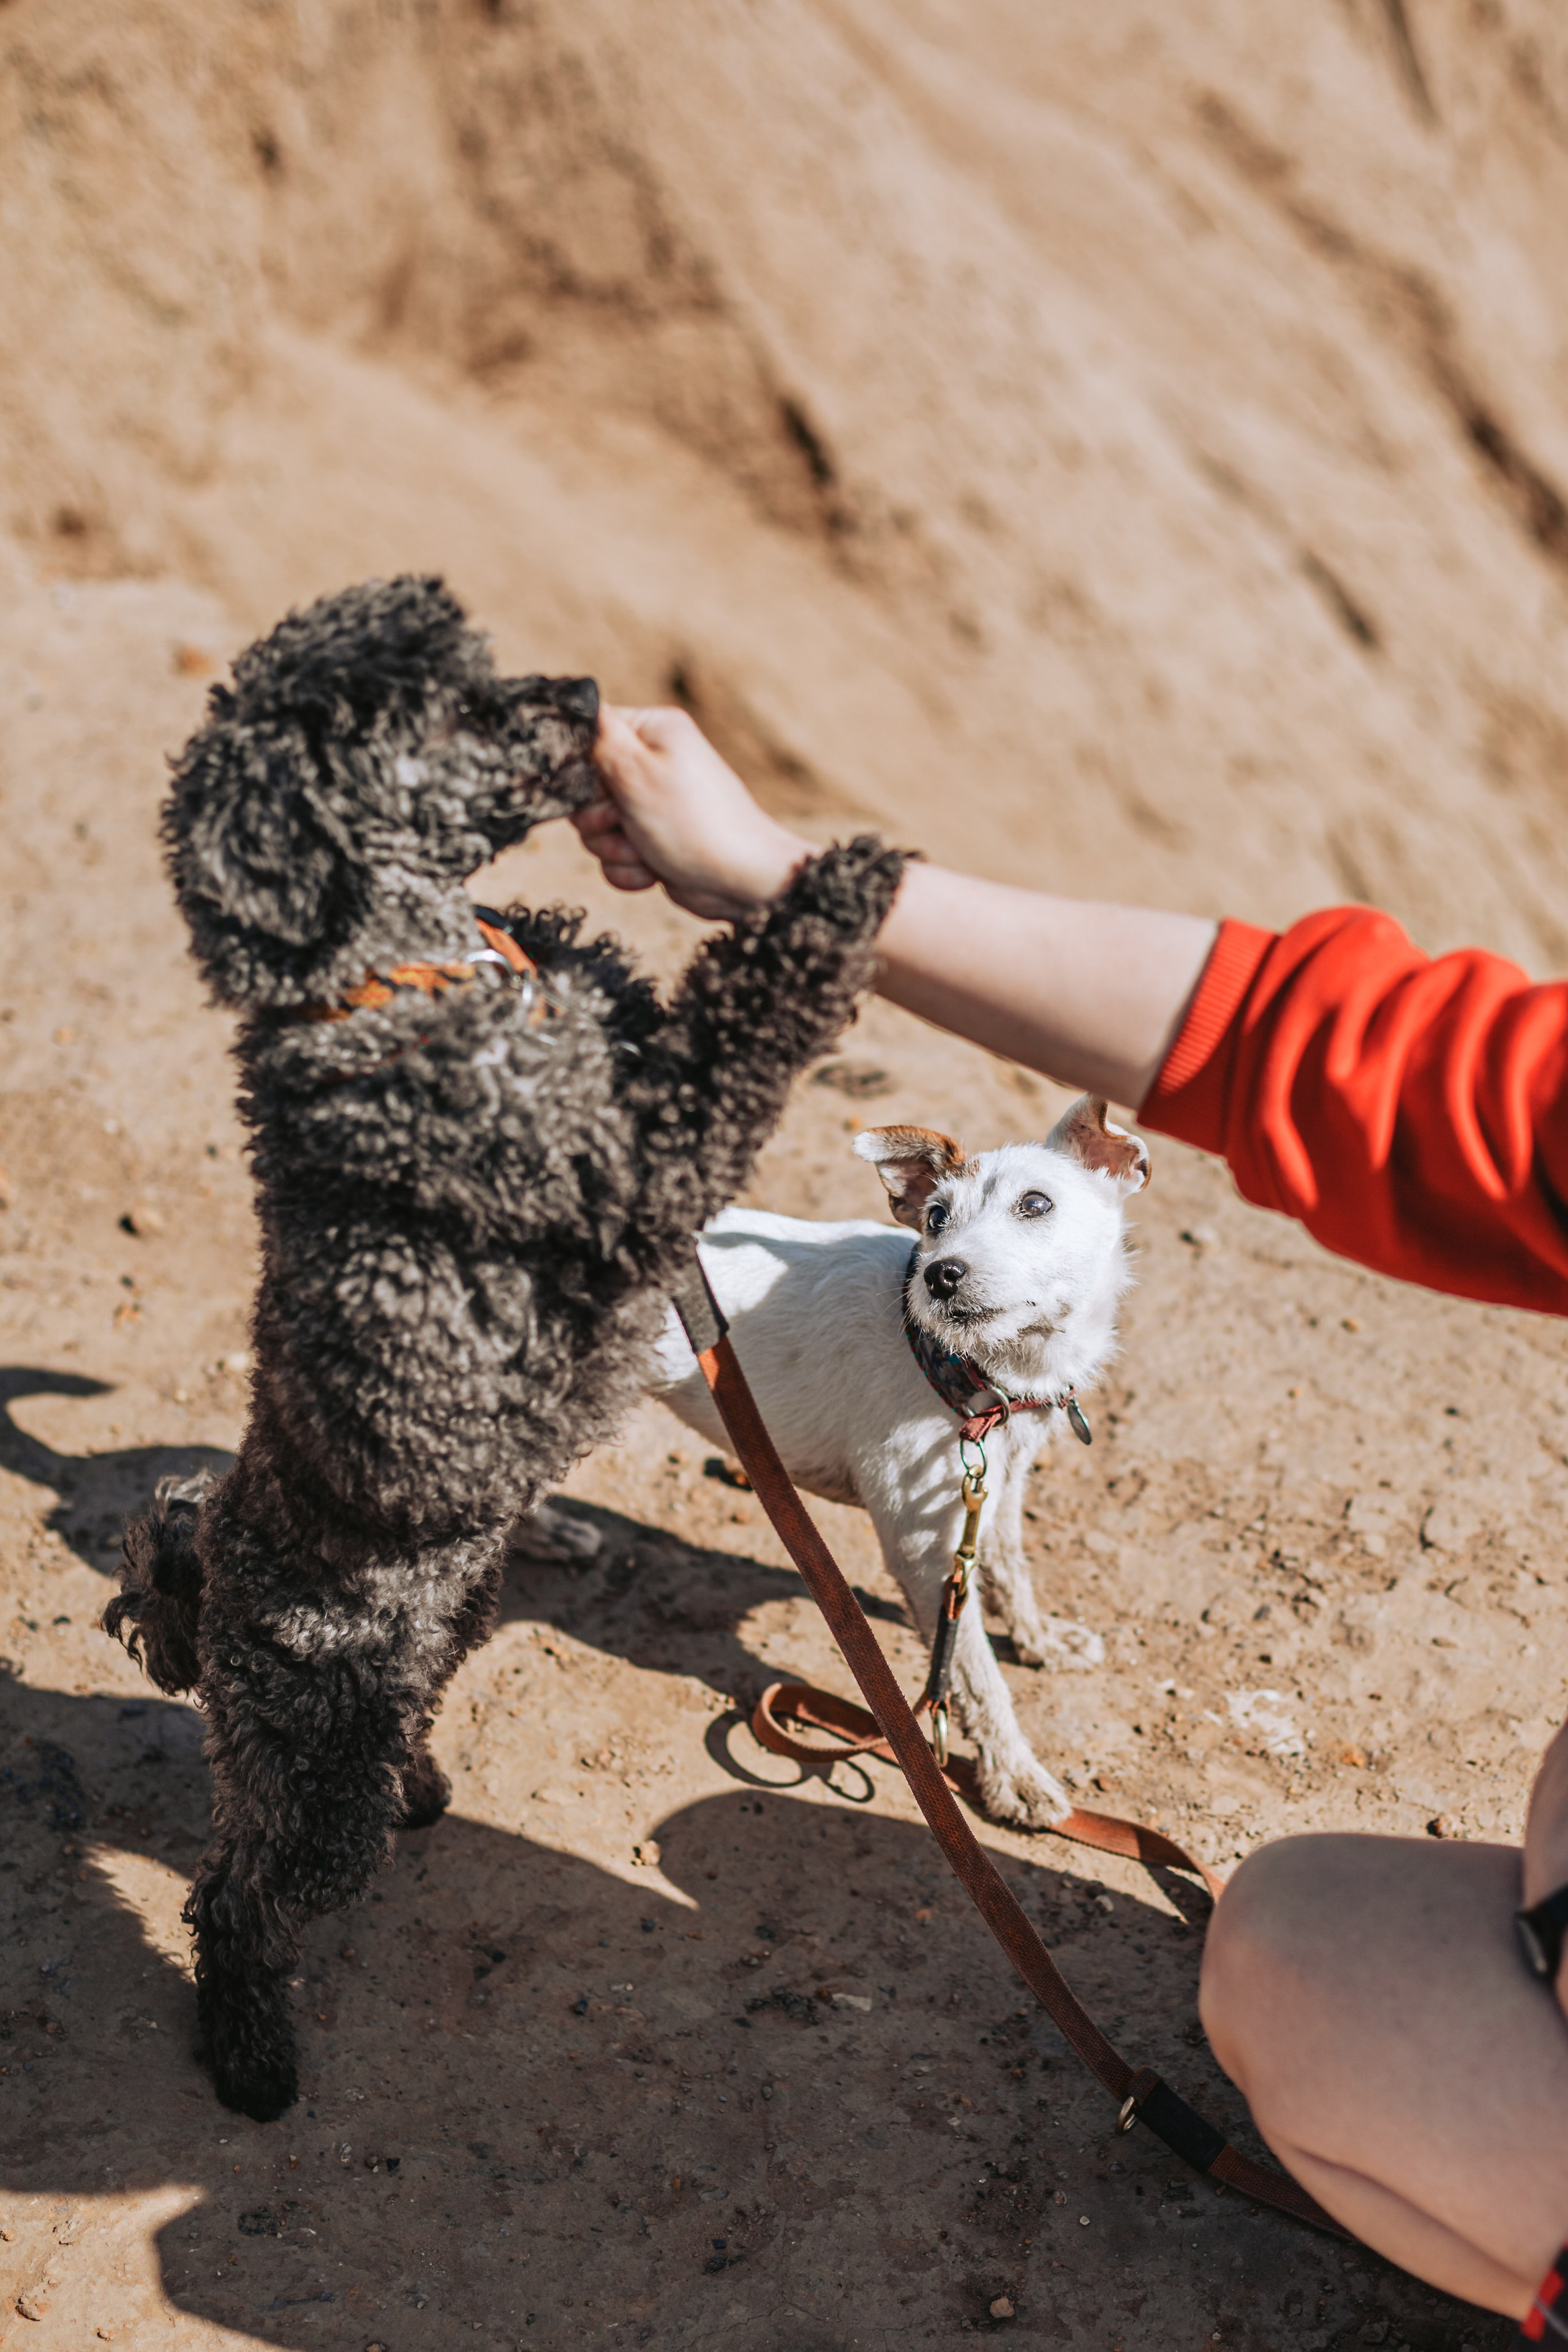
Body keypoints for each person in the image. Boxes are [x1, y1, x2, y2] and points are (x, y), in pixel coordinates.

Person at [575, 703, 1568, 2331]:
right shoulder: (941, 1339)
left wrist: (777, 875)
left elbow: (1354, 1053)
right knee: (1322, 1917)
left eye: (1026, 1206)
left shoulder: (1024, 1308)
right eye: (946, 1223)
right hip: (673, 1323)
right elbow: (1374, 1056)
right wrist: (775, 876)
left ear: (1114, 1181)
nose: (961, 1254)